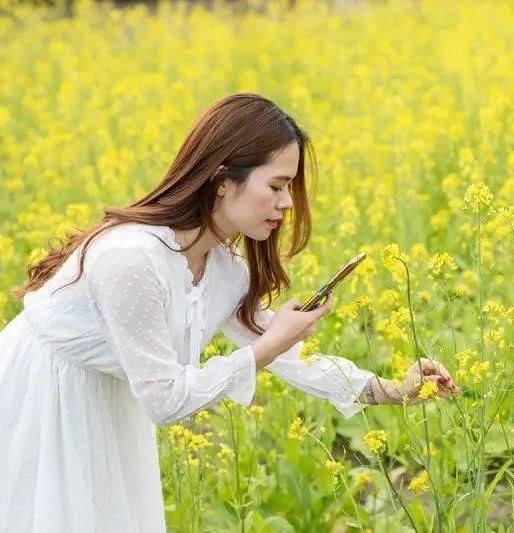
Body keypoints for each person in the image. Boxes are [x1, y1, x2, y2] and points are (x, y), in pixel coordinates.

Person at [0, 92, 461, 532]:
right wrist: (265, 347)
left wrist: (394, 390)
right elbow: (166, 403)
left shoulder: (225, 268)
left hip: (110, 402)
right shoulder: (131, 258)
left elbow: (289, 360)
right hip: (42, 396)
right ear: (223, 181)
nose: (287, 203)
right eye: (277, 185)